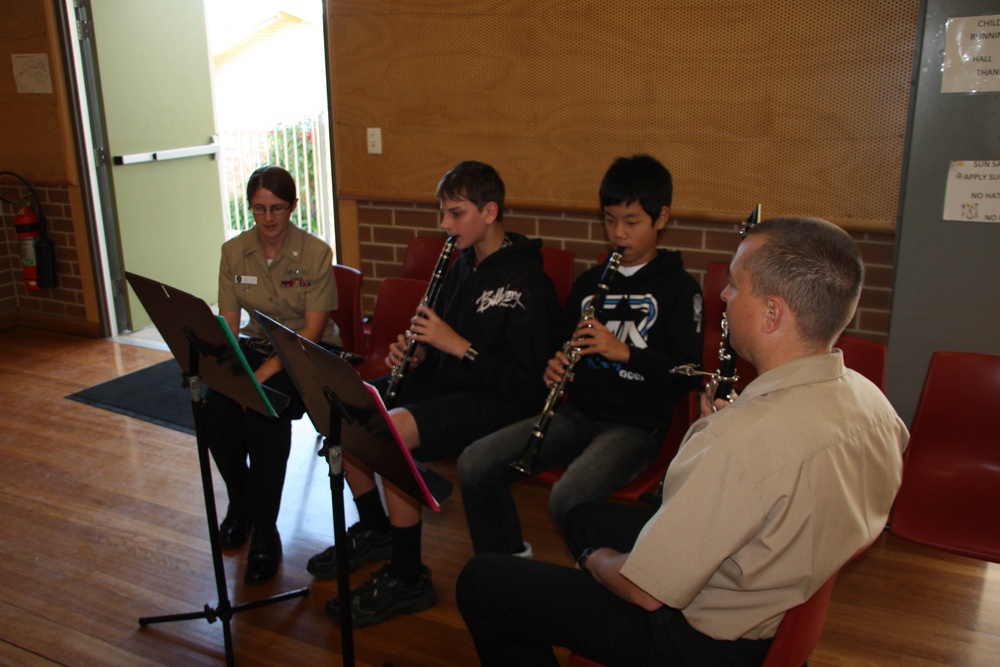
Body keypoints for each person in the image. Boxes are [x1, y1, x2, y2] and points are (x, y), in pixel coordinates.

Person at [456, 216, 909, 666]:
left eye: (734, 285)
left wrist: (595, 562)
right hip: (777, 588)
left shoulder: (738, 444)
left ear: (772, 313)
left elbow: (646, 593)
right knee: (584, 516)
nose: (724, 296)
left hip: (697, 644)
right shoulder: (876, 407)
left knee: (483, 581)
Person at [313, 160, 561, 627]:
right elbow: (440, 343)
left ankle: (408, 578)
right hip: (449, 384)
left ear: (490, 211)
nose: (444, 225)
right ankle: (376, 528)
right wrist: (420, 351)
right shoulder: (459, 262)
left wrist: (455, 345)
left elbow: (527, 384)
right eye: (442, 213)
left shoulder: (529, 282)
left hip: (499, 402)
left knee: (391, 430)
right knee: (345, 409)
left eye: (455, 213)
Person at [457, 154, 703, 557]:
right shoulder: (591, 283)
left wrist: (625, 352)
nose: (618, 233)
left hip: (635, 427)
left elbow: (687, 372)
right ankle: (506, 563)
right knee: (475, 463)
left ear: (662, 219)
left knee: (567, 497)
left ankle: (606, 581)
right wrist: (556, 365)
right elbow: (559, 344)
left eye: (632, 222)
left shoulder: (680, 289)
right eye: (609, 220)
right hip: (577, 415)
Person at [204, 165, 339, 585]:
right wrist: (231, 369)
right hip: (258, 345)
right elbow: (228, 324)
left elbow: (312, 332)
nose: (268, 218)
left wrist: (258, 376)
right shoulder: (233, 251)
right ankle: (242, 504)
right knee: (215, 406)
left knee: (265, 409)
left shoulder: (316, 252)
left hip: (307, 351)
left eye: (277, 208)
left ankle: (264, 528)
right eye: (259, 208)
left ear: (293, 206)